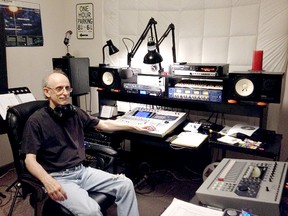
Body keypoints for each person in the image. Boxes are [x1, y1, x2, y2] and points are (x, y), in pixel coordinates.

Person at [21, 70, 155, 216]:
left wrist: (134, 126)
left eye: (67, 88)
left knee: (126, 184)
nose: (65, 93)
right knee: (91, 211)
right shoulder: (36, 121)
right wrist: (47, 181)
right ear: (47, 92)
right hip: (59, 178)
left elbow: (104, 125)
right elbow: (30, 160)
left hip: (82, 171)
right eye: (59, 88)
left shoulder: (75, 112)